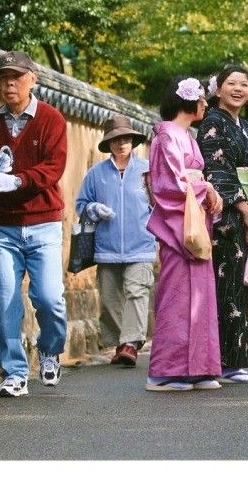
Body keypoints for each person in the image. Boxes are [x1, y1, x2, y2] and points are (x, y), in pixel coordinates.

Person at [0, 51, 69, 397]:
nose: (9, 83)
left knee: (50, 298)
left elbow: (54, 168)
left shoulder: (52, 120)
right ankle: (15, 372)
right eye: (3, 77)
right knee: (5, 300)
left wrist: (19, 181)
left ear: (32, 80)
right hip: (4, 226)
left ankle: (51, 349)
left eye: (17, 77)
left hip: (44, 223)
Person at [145, 76, 224, 391]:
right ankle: (164, 371)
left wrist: (204, 188)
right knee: (178, 298)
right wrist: (207, 187)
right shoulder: (166, 137)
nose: (206, 104)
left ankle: (199, 367)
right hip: (179, 224)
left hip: (193, 217)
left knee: (201, 297)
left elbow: (188, 179)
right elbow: (168, 185)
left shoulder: (186, 136)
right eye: (203, 99)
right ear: (187, 100)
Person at [196, 65, 248, 384]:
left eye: (244, 85)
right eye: (231, 83)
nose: (238, 89)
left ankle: (235, 361)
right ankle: (223, 362)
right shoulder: (213, 122)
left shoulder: (247, 127)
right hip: (225, 214)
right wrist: (245, 209)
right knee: (226, 286)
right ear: (218, 90)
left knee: (240, 287)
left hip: (245, 214)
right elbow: (217, 170)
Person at [75, 115, 157, 367]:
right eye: (115, 139)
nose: (121, 143)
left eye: (126, 138)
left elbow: (161, 205)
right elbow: (81, 205)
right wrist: (93, 209)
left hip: (141, 246)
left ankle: (131, 344)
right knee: (109, 300)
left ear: (133, 141)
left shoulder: (147, 171)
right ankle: (121, 342)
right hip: (106, 248)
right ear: (108, 144)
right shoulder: (96, 174)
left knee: (136, 292)